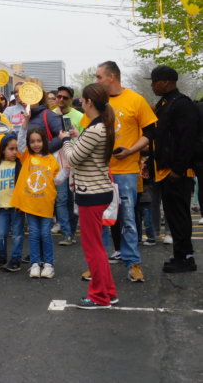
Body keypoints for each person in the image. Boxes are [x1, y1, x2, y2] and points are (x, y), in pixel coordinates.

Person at [89, 60, 157, 283]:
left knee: (127, 219)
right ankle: (97, 266)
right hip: (99, 171)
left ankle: (133, 263)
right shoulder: (98, 103)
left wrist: (132, 150)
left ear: (112, 77)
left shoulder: (135, 99)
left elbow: (150, 131)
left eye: (99, 77)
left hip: (126, 170)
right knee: (99, 220)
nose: (96, 81)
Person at [61, 83, 118, 309]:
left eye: (83, 101)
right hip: (98, 191)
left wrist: (66, 139)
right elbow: (86, 148)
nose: (81, 104)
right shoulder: (100, 126)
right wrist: (78, 135)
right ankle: (108, 292)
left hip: (91, 193)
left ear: (89, 102)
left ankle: (99, 297)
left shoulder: (95, 129)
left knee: (93, 250)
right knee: (98, 248)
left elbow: (73, 158)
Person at [149, 66, 198, 273]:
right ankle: (179, 255)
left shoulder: (182, 104)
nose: (152, 85)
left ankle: (186, 258)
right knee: (172, 215)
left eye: (154, 81)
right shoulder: (164, 104)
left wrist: (178, 169)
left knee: (179, 215)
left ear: (166, 82)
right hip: (165, 171)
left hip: (178, 172)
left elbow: (188, 139)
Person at [14, 125, 61, 279]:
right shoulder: (27, 156)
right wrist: (24, 123)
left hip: (46, 205)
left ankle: (49, 264)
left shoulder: (51, 160)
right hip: (30, 204)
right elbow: (20, 142)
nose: (36, 144)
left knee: (45, 234)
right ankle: (35, 263)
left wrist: (67, 170)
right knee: (34, 233)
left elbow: (57, 180)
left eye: (39, 141)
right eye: (32, 141)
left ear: (44, 141)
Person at [52, 85, 84, 247]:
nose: (61, 100)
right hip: (58, 162)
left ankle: (71, 229)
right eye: (59, 97)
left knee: (74, 199)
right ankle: (66, 233)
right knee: (62, 198)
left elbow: (84, 139)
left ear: (71, 99)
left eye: (65, 97)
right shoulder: (51, 115)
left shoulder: (79, 116)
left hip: (76, 161)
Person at [0, 134, 23, 272]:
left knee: (17, 234)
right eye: (11, 149)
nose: (14, 152)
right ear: (2, 150)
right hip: (1, 207)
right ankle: (1, 257)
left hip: (16, 207)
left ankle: (16, 259)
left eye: (16, 149)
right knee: (0, 234)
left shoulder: (19, 165)